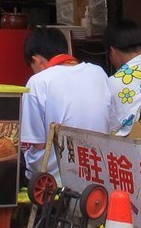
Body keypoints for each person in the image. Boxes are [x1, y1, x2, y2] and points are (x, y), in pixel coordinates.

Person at [19, 26, 110, 185]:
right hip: (99, 170)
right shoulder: (99, 72)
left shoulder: (38, 81)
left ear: (37, 60)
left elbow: (38, 144)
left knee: (19, 162)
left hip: (59, 176)